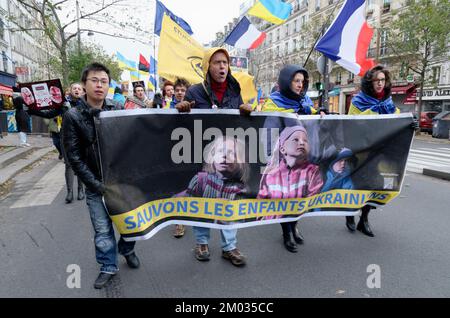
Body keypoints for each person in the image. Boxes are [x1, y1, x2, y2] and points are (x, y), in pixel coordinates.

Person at [62, 63, 139, 289]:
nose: (99, 85)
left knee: (131, 224)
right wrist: (95, 185)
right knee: (103, 230)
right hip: (95, 184)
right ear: (84, 84)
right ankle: (108, 266)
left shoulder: (117, 110)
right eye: (94, 80)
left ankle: (127, 248)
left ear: (109, 86)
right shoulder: (72, 116)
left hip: (122, 182)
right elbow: (74, 157)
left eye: (104, 81)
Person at [176, 47, 253, 266]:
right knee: (203, 202)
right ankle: (202, 242)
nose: (222, 66)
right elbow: (182, 127)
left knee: (229, 202)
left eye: (225, 63)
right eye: (217, 62)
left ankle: (229, 247)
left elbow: (238, 123)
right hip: (204, 157)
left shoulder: (234, 91)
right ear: (207, 66)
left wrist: (245, 113)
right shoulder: (194, 92)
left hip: (229, 158)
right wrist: (180, 110)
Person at [255, 65, 324, 253]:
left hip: (302, 161)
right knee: (285, 198)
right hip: (283, 162)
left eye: (302, 81)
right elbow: (268, 136)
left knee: (299, 196)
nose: (300, 85)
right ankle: (286, 232)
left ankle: (294, 225)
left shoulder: (305, 103)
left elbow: (312, 127)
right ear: (287, 81)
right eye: (296, 81)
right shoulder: (274, 104)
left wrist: (321, 114)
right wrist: (273, 161)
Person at [346, 65, 399, 237]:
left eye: (383, 80)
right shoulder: (358, 101)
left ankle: (364, 219)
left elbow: (396, 120)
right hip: (360, 152)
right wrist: (372, 112)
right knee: (357, 186)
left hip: (379, 152)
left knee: (373, 185)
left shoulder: (388, 102)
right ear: (370, 82)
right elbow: (352, 124)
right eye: (376, 80)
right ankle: (349, 213)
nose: (380, 83)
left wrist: (409, 123)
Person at [183, 136, 249, 267]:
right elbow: (189, 204)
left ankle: (229, 247)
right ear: (212, 155)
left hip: (226, 212)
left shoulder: (239, 187)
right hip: (203, 212)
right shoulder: (200, 180)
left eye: (232, 153)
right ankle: (202, 243)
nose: (225, 156)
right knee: (200, 216)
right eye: (221, 151)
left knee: (231, 218)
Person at [258, 126, 323, 253]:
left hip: (298, 208)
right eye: (295, 139)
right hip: (280, 211)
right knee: (281, 203)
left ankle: (294, 227)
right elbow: (263, 199)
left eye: (305, 140)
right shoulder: (272, 174)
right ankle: (286, 233)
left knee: (297, 204)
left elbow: (312, 197)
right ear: (282, 148)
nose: (301, 142)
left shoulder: (313, 171)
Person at [28, 82, 86, 204]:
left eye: (79, 89)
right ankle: (70, 192)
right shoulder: (63, 104)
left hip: (81, 139)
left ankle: (81, 190)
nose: (76, 90)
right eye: (74, 88)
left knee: (80, 164)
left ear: (83, 91)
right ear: (70, 91)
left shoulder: (86, 104)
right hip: (66, 138)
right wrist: (33, 111)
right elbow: (49, 114)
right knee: (69, 165)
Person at [171, 78, 191, 238]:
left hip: (192, 151)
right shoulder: (167, 108)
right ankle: (179, 222)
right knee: (178, 187)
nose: (179, 92)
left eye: (182, 90)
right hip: (174, 153)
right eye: (177, 90)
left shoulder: (195, 108)